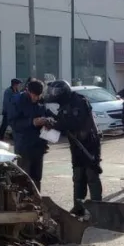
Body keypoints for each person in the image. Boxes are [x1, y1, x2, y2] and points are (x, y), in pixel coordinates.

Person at [46, 80, 103, 215]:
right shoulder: (65, 104)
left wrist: (55, 124)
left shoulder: (78, 101)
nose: (53, 95)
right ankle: (79, 207)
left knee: (91, 176)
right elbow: (64, 123)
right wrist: (52, 119)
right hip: (76, 145)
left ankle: (98, 209)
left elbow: (73, 122)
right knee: (78, 177)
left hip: (88, 144)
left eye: (56, 92)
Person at [10, 79, 51, 190]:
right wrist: (32, 122)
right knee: (24, 178)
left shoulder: (41, 101)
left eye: (39, 95)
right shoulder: (18, 101)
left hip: (39, 146)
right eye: (34, 95)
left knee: (37, 177)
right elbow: (13, 123)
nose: (36, 98)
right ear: (28, 91)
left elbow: (47, 114)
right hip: (24, 146)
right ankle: (24, 204)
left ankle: (37, 202)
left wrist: (48, 121)